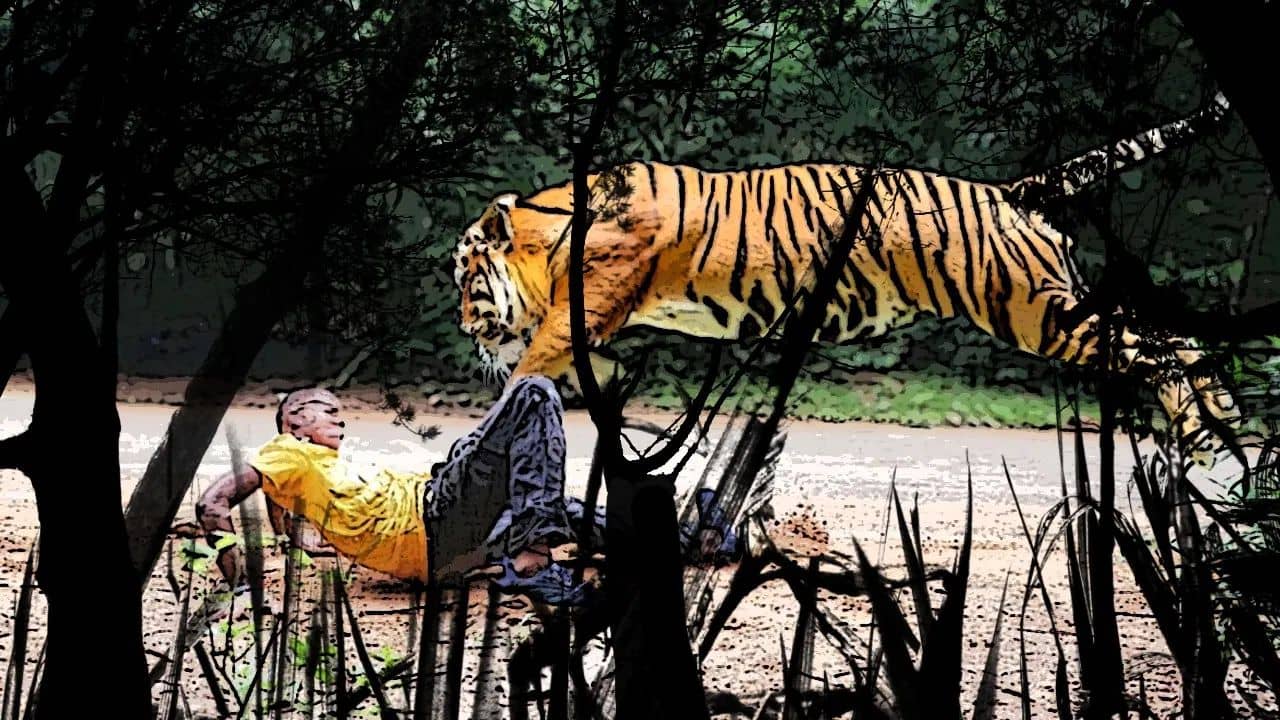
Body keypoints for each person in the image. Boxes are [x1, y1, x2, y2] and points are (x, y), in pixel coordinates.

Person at [196, 375, 738, 607]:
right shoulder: (286, 453)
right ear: (293, 421)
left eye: (339, 409)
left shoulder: (301, 469)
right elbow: (213, 503)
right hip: (435, 520)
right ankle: (531, 561)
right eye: (324, 409)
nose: (339, 415)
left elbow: (280, 503)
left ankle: (701, 541)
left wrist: (303, 539)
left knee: (563, 509)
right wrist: (241, 582)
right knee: (532, 393)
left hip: (453, 539)